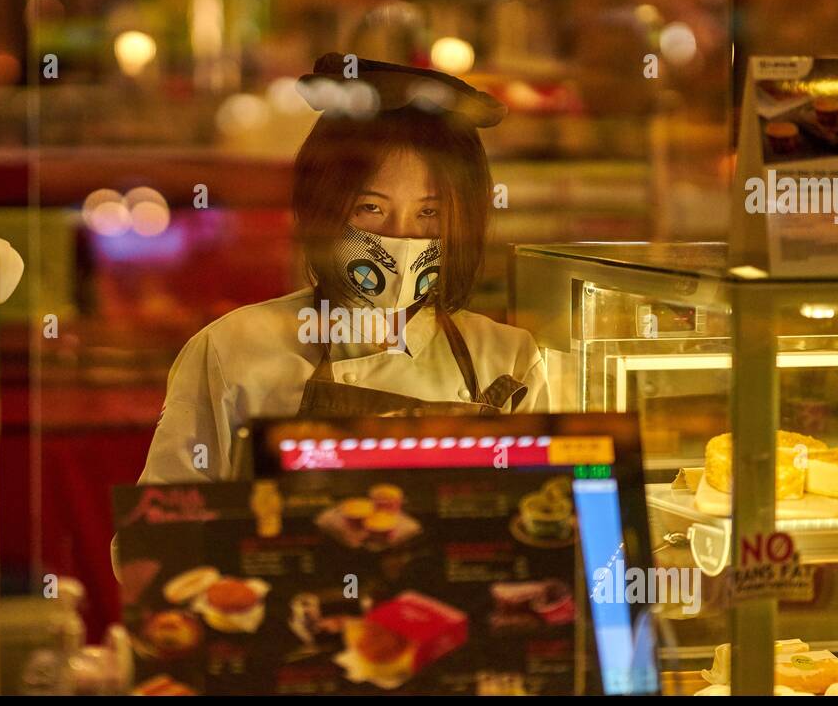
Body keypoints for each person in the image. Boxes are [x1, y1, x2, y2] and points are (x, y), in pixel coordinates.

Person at [139, 53, 549, 484]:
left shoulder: (509, 359)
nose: (403, 237)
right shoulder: (232, 350)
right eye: (370, 207)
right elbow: (166, 531)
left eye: (430, 213)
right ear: (324, 209)